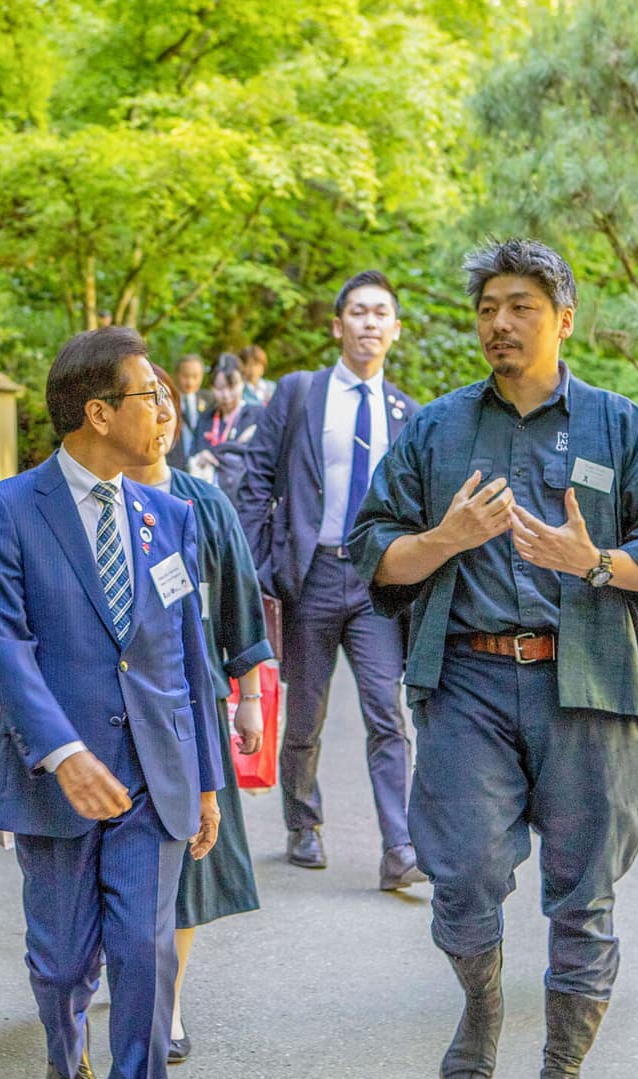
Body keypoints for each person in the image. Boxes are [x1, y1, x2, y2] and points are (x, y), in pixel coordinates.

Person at [349, 239, 638, 1079]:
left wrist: (590, 560)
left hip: (585, 683)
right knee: (463, 874)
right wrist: (444, 538)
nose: (500, 324)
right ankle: (480, 1001)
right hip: (465, 677)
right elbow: (373, 550)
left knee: (583, 891)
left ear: (564, 319)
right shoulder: (435, 429)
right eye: (486, 309)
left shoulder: (619, 425)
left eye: (521, 306)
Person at [0, 326, 223, 1079]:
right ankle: (63, 1046)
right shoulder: (5, 510)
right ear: (100, 412)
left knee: (146, 957)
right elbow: (3, 643)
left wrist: (210, 776)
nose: (166, 412)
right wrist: (62, 750)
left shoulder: (170, 514)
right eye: (151, 396)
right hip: (57, 779)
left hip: (155, 777)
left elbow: (191, 658)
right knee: (63, 960)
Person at [234, 269, 423, 890]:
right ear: (337, 325)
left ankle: (399, 844)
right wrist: (261, 567)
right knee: (306, 717)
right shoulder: (298, 393)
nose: (369, 323)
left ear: (395, 330)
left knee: (386, 714)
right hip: (310, 579)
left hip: (375, 586)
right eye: (358, 313)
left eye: (381, 314)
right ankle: (302, 821)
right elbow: (255, 480)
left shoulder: (407, 414)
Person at [127, 360, 273, 1066]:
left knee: (191, 858)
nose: (158, 415)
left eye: (165, 402)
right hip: (114, 712)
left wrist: (247, 697)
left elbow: (241, 604)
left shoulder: (203, 502)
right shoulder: (89, 504)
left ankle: (169, 998)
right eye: (142, 401)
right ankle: (126, 972)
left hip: (196, 703)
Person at [187, 352, 264, 505]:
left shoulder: (257, 416)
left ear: (243, 381)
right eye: (220, 388)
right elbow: (192, 455)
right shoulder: (206, 418)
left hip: (244, 503)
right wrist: (199, 458)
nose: (226, 395)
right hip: (208, 501)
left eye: (232, 387)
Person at [166, 353, 208, 470]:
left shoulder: (209, 400)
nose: (190, 382)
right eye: (185, 376)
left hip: (201, 466)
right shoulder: (167, 401)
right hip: (174, 465)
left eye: (195, 376)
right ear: (176, 375)